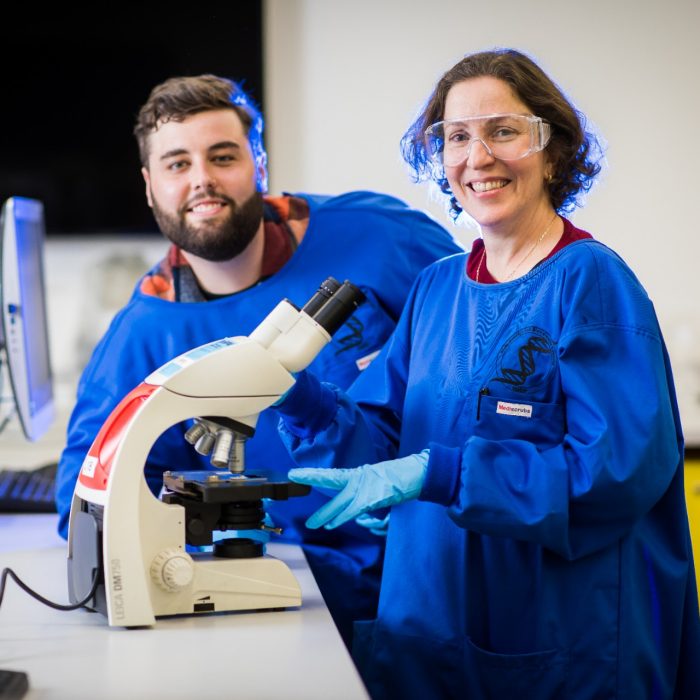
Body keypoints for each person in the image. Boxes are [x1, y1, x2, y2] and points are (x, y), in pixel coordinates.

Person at [276, 50, 700, 698]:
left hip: (558, 643)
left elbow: (615, 472)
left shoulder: (591, 283)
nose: (479, 156)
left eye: (504, 131)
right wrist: (301, 399)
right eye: (456, 137)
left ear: (552, 150)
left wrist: (443, 472)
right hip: (426, 628)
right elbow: (384, 445)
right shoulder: (437, 288)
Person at [54, 74, 461, 645]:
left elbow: (484, 338)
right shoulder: (145, 331)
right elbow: (83, 493)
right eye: (177, 164)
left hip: (426, 573)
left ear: (260, 165)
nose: (202, 180)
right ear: (149, 187)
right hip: (279, 596)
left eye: (223, 156)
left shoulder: (378, 236)